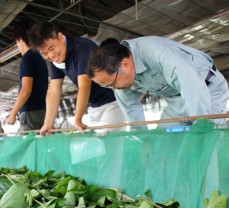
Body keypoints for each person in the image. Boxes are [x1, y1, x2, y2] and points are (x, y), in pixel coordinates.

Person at [86, 36, 229, 127]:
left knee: (206, 146)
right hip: (174, 100)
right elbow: (131, 109)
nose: (113, 89)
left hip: (207, 91)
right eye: (107, 87)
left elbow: (190, 85)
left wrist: (201, 125)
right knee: (160, 144)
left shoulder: (156, 51)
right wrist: (145, 139)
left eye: (111, 84)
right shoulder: (121, 79)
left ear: (124, 64)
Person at [29, 22, 131, 134]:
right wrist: (47, 124)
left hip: (113, 99)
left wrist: (77, 119)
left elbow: (84, 84)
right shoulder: (56, 61)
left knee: (111, 146)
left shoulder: (83, 47)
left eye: (51, 48)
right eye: (44, 54)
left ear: (59, 37)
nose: (51, 55)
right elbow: (53, 91)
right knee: (100, 147)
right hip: (94, 105)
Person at [7, 20, 48, 131]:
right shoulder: (40, 58)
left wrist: (13, 113)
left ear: (20, 39)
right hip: (43, 111)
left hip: (30, 113)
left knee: (26, 146)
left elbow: (26, 90)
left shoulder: (27, 59)